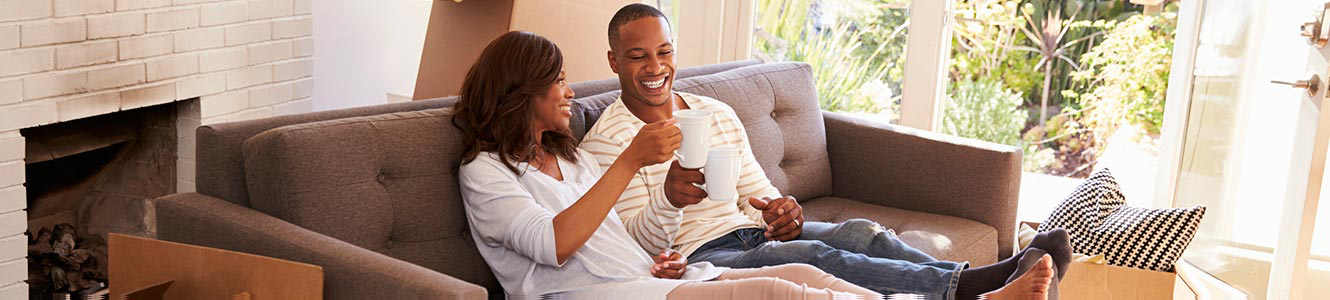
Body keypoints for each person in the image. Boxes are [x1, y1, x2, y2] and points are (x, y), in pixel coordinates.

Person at [579, 4, 1069, 299]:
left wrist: (782, 211)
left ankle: (987, 278)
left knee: (858, 232)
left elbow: (758, 192)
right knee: (813, 254)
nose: (654, 67)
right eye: (637, 55)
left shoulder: (713, 111)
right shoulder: (608, 141)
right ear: (614, 61)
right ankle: (975, 287)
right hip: (701, 256)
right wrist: (669, 197)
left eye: (663, 51)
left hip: (748, 232)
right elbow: (635, 243)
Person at [453, 30, 913, 299]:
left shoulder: (566, 158)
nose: (569, 92)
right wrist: (631, 160)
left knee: (804, 275)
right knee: (777, 292)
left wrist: (661, 251)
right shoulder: (485, 171)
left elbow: (620, 236)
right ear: (521, 92)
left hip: (645, 280)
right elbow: (553, 246)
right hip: (601, 295)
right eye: (557, 81)